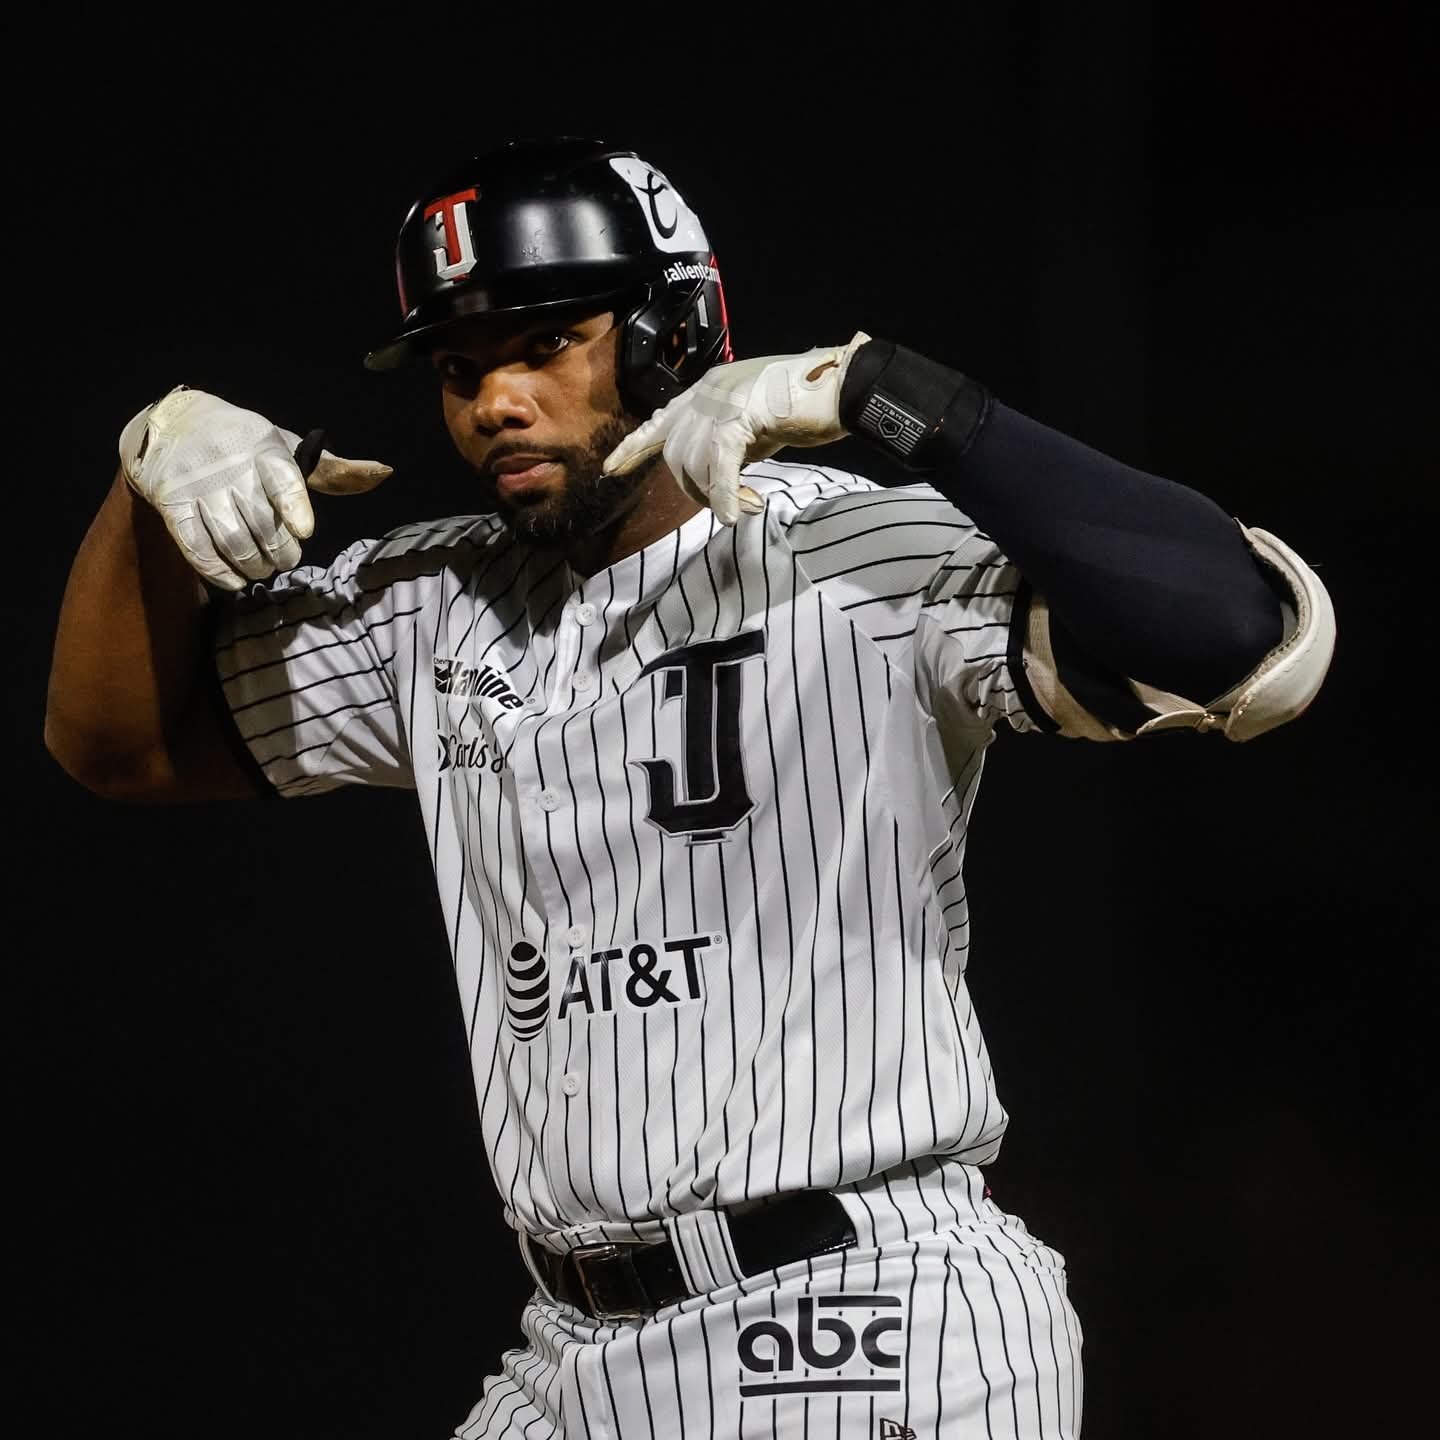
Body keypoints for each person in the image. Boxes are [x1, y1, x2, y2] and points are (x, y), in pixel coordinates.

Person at [44, 136, 1335, 1438]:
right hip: (571, 1348)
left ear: (673, 334)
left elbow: (1236, 636)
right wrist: (143, 483)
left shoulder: (855, 550)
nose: (497, 401)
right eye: (459, 366)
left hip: (858, 1307)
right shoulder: (434, 604)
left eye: (546, 343)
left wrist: (900, 397)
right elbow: (118, 746)